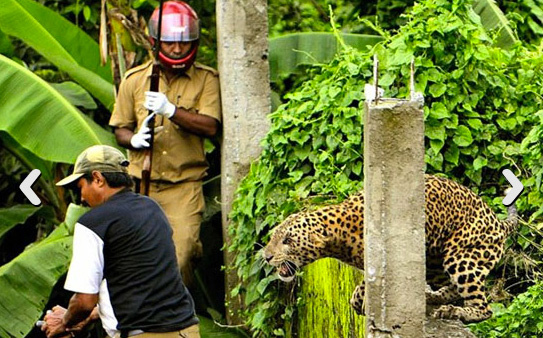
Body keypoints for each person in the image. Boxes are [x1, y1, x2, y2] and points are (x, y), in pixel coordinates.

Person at [108, 0, 221, 288]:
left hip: (184, 186)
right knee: (132, 259)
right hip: (138, 185)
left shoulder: (206, 79)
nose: (178, 49)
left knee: (181, 255)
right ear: (155, 42)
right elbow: (120, 127)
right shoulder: (134, 80)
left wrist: (172, 111)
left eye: (184, 43)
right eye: (170, 43)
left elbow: (210, 125)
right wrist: (133, 139)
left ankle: (174, 320)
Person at [41, 145, 200, 338]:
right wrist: (92, 315)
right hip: (186, 331)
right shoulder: (151, 208)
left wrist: (64, 322)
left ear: (98, 179)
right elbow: (138, 284)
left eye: (81, 186)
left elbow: (84, 301)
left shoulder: (93, 223)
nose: (81, 197)